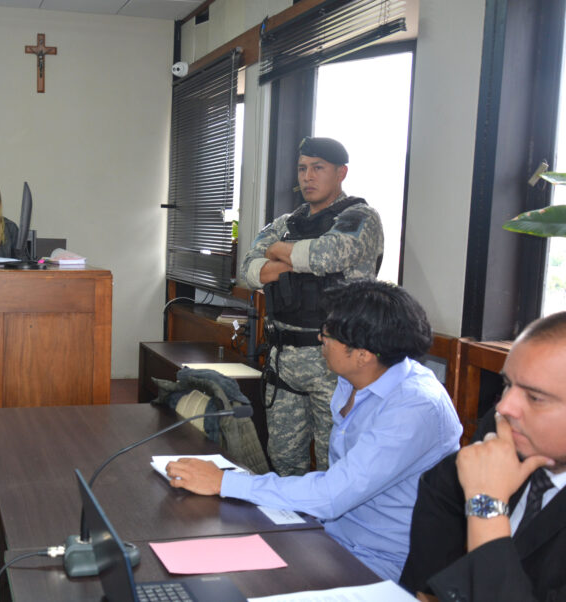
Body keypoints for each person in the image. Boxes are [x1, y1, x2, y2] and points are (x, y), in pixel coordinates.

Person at [165, 280, 461, 582]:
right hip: (328, 534)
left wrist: (223, 482)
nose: (320, 337)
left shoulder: (415, 408)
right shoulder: (353, 381)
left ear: (363, 354)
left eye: (328, 334)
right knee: (209, 561)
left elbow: (332, 494)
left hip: (377, 562)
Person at [241, 137, 384, 476]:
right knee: (283, 459)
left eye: (318, 168)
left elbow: (327, 255)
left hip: (336, 364)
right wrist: (296, 260)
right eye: (303, 168)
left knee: (335, 461)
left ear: (341, 172)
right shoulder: (286, 222)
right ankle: (289, 529)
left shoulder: (360, 217)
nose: (308, 176)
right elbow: (249, 270)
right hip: (283, 358)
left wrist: (278, 254)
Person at [400, 312, 566, 601]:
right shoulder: (510, 426)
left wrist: (486, 505)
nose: (505, 406)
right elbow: (442, 488)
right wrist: (434, 590)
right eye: (507, 384)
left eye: (535, 398)